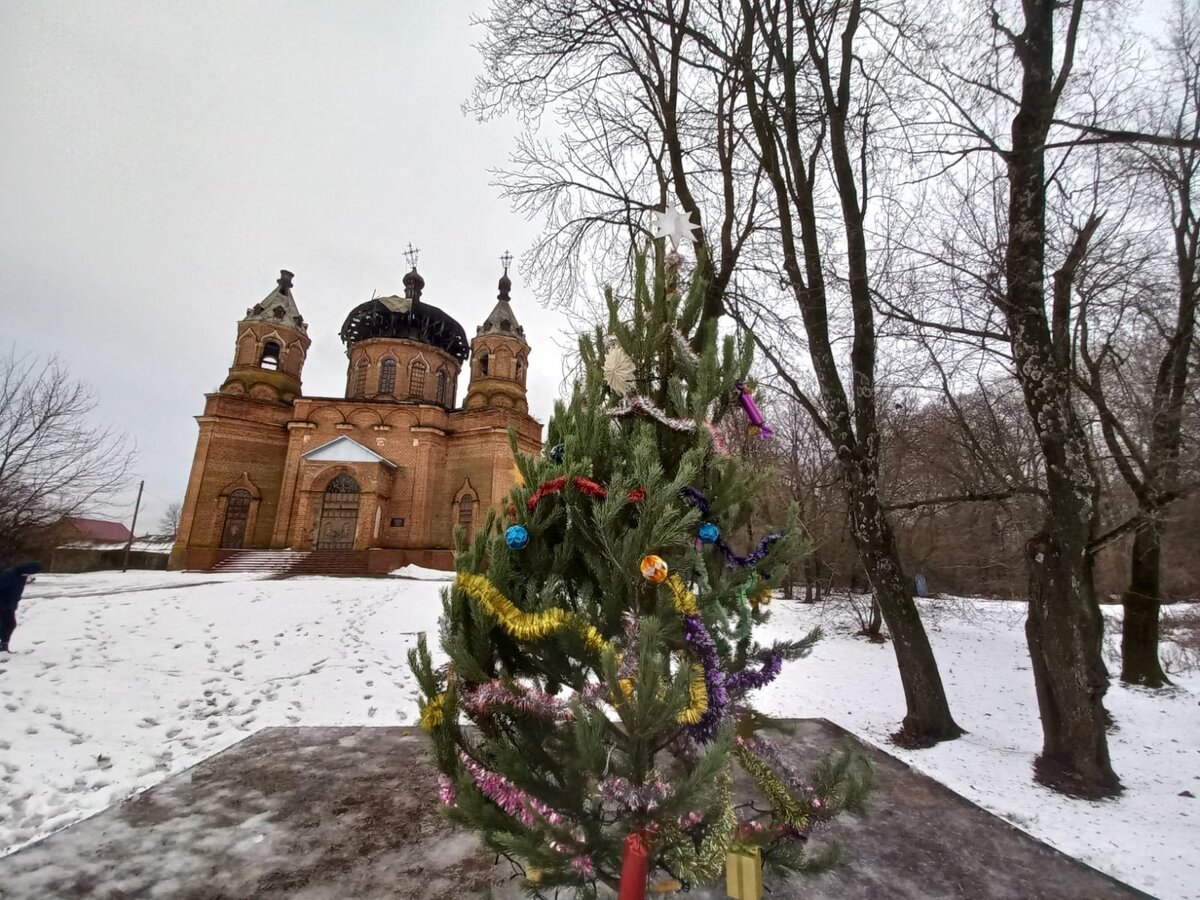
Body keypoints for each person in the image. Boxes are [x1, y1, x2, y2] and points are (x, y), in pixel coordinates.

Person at [0, 562, 42, 652]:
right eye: (32, 572)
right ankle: (3, 644)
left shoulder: (22, 576)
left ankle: (4, 645)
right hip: (3, 603)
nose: (31, 574)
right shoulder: (9, 574)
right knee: (9, 624)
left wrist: (15, 600)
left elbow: (17, 590)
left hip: (10, 604)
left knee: (9, 624)